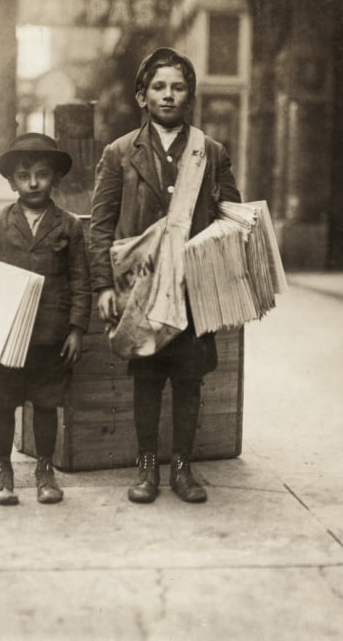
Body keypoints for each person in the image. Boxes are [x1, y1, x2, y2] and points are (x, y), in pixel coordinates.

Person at [88, 47, 241, 504]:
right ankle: (148, 468)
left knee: (190, 377)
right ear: (142, 96)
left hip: (192, 286)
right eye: (159, 87)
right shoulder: (119, 153)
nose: (168, 95)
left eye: (177, 87)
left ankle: (183, 469)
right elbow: (100, 225)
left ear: (189, 96)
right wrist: (102, 285)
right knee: (148, 377)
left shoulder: (210, 153)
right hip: (142, 286)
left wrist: (222, 280)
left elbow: (231, 217)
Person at [0, 133, 91, 505]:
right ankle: (3, 470)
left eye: (42, 174)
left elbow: (81, 280)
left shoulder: (69, 226)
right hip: (4, 333)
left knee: (46, 405)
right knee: (3, 403)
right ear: (12, 182)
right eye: (24, 175)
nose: (33, 183)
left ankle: (44, 471)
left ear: (55, 179)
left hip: (50, 333)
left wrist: (77, 328)